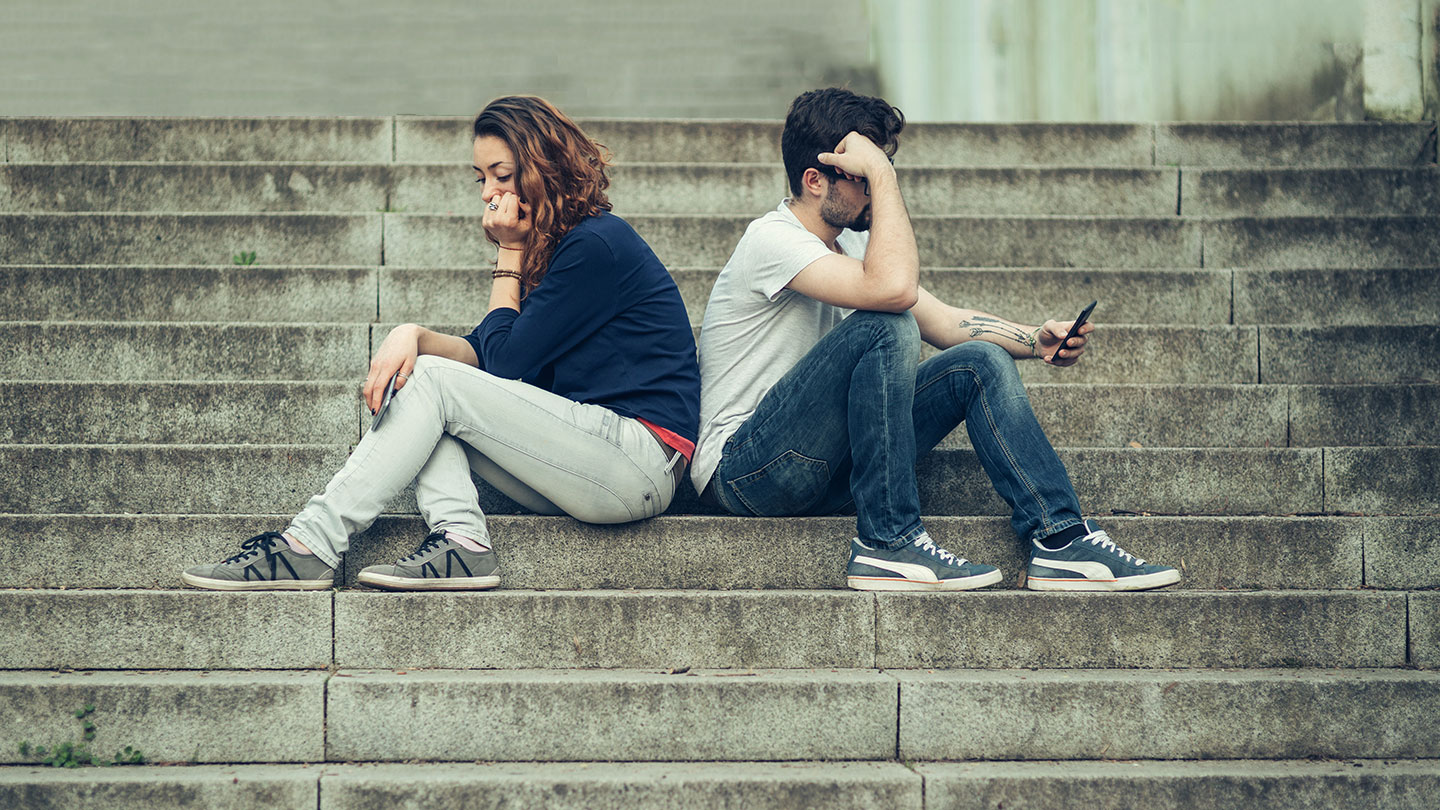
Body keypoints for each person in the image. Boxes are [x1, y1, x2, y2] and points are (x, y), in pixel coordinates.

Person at [183, 95, 700, 591]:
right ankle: (462, 541)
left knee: (432, 382)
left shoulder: (596, 244)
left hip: (641, 457)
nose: (486, 192)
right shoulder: (565, 249)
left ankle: (311, 544)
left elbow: (507, 361)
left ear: (544, 165)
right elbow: (483, 350)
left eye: (501, 174)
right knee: (419, 381)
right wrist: (414, 337)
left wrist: (510, 252)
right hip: (595, 463)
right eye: (481, 178)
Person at [692, 87, 1178, 592]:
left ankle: (1060, 539)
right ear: (814, 180)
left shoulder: (854, 243)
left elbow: (943, 321)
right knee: (887, 323)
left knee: (980, 362)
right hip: (748, 470)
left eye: (877, 170)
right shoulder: (771, 240)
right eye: (863, 176)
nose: (874, 191)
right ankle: (887, 541)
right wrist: (885, 175)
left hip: (826, 467)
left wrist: (1036, 340)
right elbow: (895, 293)